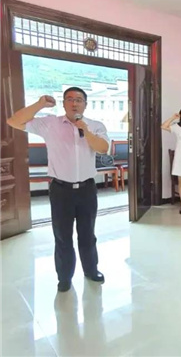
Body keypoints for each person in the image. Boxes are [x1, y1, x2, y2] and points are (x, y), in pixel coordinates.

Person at [7, 87, 109, 292]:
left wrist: (85, 130)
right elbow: (14, 121)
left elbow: (103, 148)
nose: (74, 103)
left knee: (87, 234)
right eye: (69, 99)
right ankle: (64, 277)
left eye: (78, 99)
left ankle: (91, 270)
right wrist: (39, 104)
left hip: (87, 190)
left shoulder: (95, 125)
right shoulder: (50, 124)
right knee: (62, 236)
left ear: (85, 104)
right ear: (63, 104)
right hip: (61, 190)